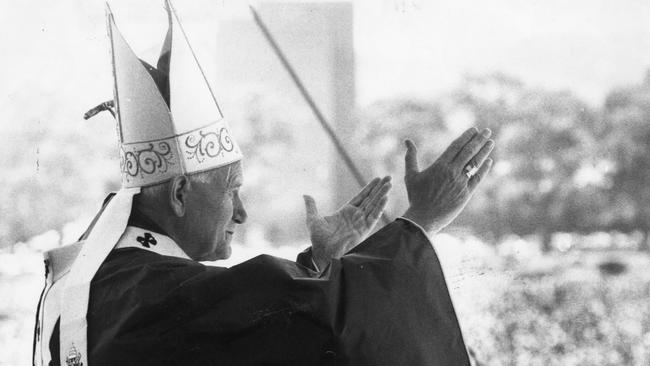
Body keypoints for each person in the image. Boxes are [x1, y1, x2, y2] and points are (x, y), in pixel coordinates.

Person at [32, 2, 495, 365]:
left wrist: (319, 263)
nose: (241, 211)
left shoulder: (109, 277)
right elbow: (320, 325)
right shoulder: (162, 295)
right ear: (178, 194)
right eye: (231, 189)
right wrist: (421, 220)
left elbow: (258, 325)